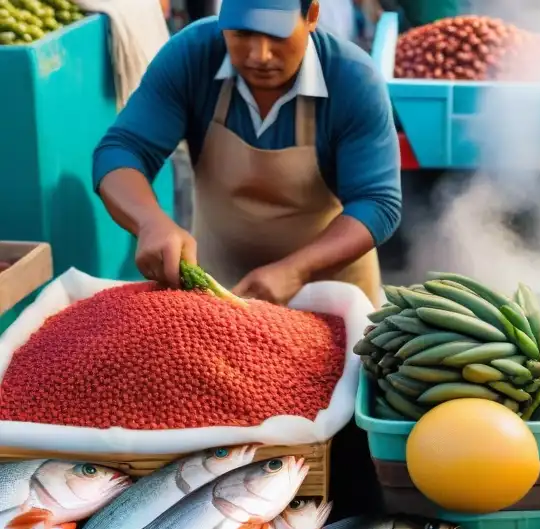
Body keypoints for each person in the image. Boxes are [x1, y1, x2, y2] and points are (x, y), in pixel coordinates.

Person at [93, 0, 401, 306]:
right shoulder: (192, 56)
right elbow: (122, 150)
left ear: (312, 16)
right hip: (220, 290)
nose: (259, 55)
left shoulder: (351, 78)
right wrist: (150, 222)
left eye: (276, 34)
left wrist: (297, 270)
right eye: (241, 34)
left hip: (328, 293)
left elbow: (377, 202)